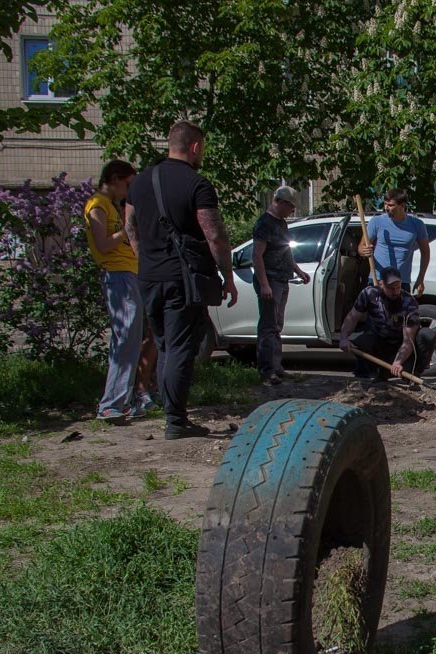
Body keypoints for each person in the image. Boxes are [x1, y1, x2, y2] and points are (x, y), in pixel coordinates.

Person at [125, 120, 238, 440]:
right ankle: (175, 421)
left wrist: (145, 261)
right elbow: (214, 236)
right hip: (181, 279)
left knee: (163, 346)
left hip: (149, 276)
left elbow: (130, 227)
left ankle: (172, 414)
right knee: (179, 348)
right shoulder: (197, 184)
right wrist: (227, 276)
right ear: (195, 146)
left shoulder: (140, 182)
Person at [85, 159, 158, 422]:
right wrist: (126, 233)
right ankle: (111, 404)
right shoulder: (97, 206)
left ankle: (120, 401)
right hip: (118, 276)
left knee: (129, 339)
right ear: (114, 178)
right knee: (125, 340)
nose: (128, 191)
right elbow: (103, 245)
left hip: (128, 275)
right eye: (127, 184)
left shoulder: (110, 206)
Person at [251, 185, 311, 385]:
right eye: (291, 208)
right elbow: (257, 256)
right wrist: (264, 285)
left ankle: (277, 367)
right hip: (269, 279)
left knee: (277, 325)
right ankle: (267, 370)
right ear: (281, 203)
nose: (292, 212)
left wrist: (298, 270)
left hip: (282, 279)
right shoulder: (264, 223)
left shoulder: (282, 224)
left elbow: (286, 251)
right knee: (268, 326)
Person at [337, 267, 436, 385]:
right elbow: (352, 317)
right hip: (381, 341)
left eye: (398, 287)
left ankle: (413, 373)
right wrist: (343, 337)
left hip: (403, 345)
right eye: (391, 288)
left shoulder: (409, 303)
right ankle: (376, 374)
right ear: (381, 284)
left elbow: (407, 341)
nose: (395, 292)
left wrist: (397, 362)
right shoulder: (369, 294)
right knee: (361, 342)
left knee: (427, 335)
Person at [358, 189, 431, 295]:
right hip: (378, 280)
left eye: (391, 205)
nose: (386, 208)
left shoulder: (417, 225)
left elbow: (425, 252)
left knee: (398, 312)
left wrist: (421, 279)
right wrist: (364, 251)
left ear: (402, 205)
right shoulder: (376, 222)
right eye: (385, 204)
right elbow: (361, 247)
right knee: (376, 311)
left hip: (401, 282)